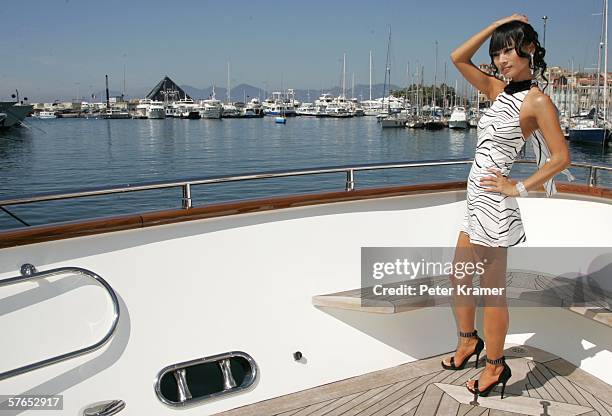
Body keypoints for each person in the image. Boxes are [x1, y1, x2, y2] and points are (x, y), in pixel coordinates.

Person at [441, 14, 572, 399]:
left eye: (508, 50)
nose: (500, 59)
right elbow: (458, 58)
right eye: (497, 52)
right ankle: (469, 342)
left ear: (529, 49)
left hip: (495, 206)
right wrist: (500, 23)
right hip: (475, 201)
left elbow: (560, 158)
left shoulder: (537, 101)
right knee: (460, 278)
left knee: (492, 292)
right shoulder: (498, 91)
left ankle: (496, 366)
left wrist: (518, 187)